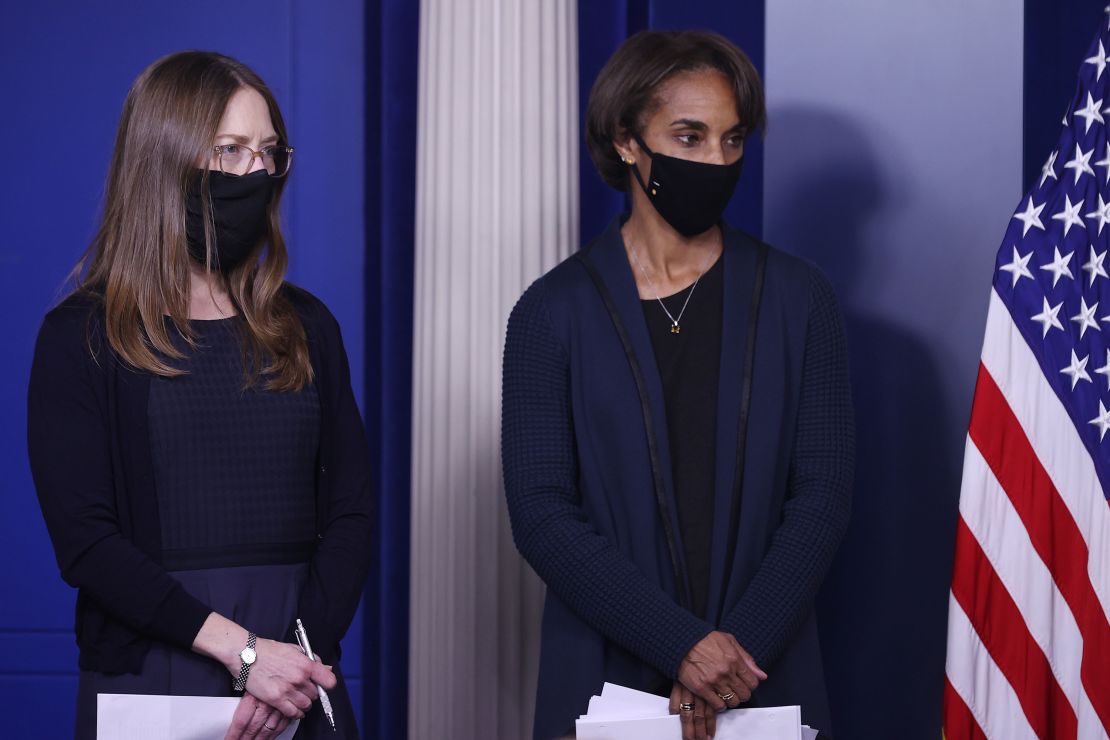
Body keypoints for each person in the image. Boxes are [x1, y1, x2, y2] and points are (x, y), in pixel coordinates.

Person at [501, 30, 854, 740]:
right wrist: (680, 646)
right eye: (689, 137)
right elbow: (543, 512)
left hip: (762, 674)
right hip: (609, 680)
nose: (717, 161)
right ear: (627, 140)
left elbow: (823, 494)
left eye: (732, 140)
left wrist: (731, 655)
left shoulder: (799, 297)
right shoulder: (550, 312)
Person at [26, 51, 373, 740]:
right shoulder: (82, 337)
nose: (256, 173)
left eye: (269, 153)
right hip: (156, 675)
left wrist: (291, 663)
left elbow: (352, 512)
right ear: (166, 159)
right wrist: (244, 656)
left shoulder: (306, 325)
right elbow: (87, 542)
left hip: (298, 676)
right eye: (230, 150)